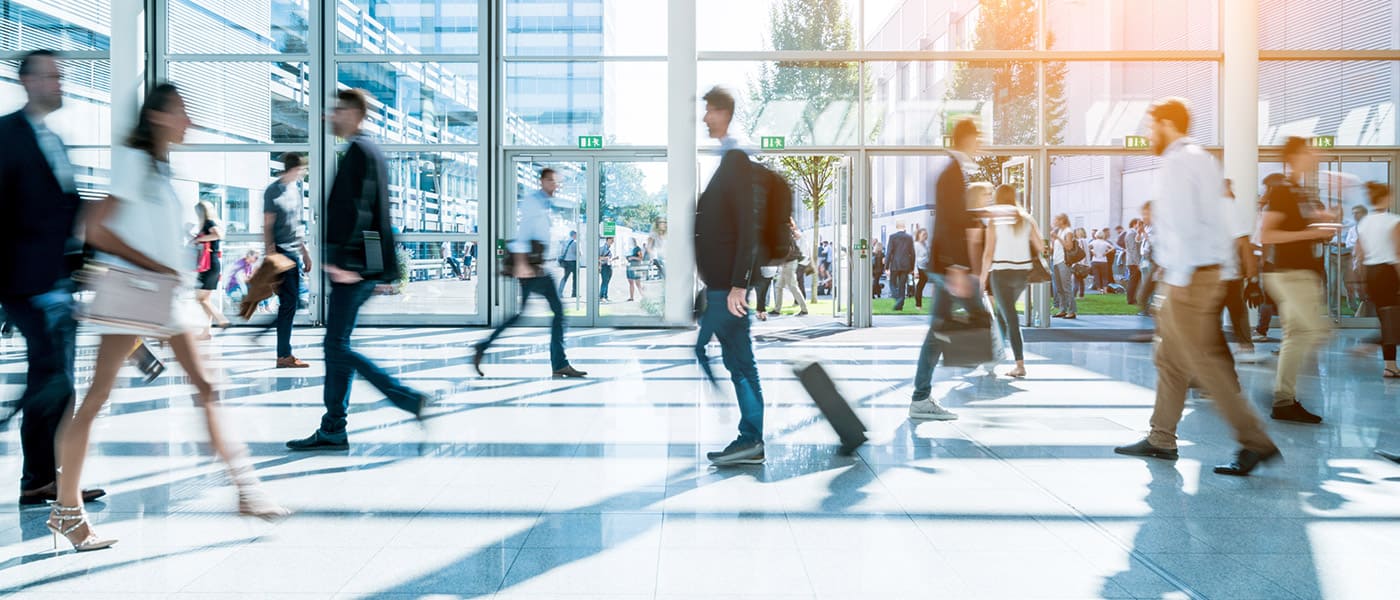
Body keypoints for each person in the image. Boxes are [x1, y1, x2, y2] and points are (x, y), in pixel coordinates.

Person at [60, 83, 289, 552]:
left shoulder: (163, 170)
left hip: (166, 300)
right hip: (134, 298)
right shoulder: (136, 164)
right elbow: (97, 226)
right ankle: (67, 511)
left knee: (207, 388)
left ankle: (246, 491)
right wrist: (154, 266)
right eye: (183, 113)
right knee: (97, 398)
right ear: (160, 117)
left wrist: (172, 274)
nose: (190, 122)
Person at [1114, 97, 1279, 477]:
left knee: (1203, 363)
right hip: (1199, 273)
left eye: (1150, 124)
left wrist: (1180, 282)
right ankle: (1161, 438)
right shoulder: (1202, 158)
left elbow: (1184, 227)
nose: (1147, 132)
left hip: (1189, 277)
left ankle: (1255, 441)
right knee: (1169, 359)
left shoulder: (1177, 162)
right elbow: (1218, 220)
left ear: (1168, 124)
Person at [287, 89, 433, 451]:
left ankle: (403, 397)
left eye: (336, 110)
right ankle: (334, 426)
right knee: (337, 346)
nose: (331, 116)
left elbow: (361, 212)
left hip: (352, 269)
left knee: (336, 346)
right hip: (359, 267)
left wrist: (346, 264)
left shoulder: (361, 151)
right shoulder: (369, 150)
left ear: (353, 112)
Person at [0, 50, 106, 509]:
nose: (60, 84)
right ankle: (53, 477)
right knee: (56, 378)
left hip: (56, 281)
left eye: (62, 77)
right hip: (26, 282)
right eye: (51, 77)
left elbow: (63, 212)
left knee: (53, 375)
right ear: (27, 81)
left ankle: (42, 479)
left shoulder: (54, 140)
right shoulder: (7, 136)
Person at [694, 86, 767, 465]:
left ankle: (751, 437)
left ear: (723, 112)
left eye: (709, 110)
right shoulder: (729, 157)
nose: (705, 117)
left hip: (729, 287)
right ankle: (749, 435)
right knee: (736, 360)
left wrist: (740, 282)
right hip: (721, 285)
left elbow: (747, 225)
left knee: (739, 362)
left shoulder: (736, 157)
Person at [908, 117, 988, 422]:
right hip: (948, 266)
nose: (980, 143)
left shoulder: (955, 172)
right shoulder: (951, 174)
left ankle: (923, 394)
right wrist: (956, 267)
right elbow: (947, 222)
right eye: (977, 137)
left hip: (947, 265)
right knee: (963, 320)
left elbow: (954, 218)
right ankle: (970, 361)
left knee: (939, 329)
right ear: (966, 139)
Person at [472, 168, 587, 379]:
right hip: (534, 269)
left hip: (540, 267)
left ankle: (482, 347)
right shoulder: (534, 202)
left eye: (557, 181)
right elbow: (523, 235)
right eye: (551, 181)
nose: (556, 185)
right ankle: (559, 363)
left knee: (523, 316)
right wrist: (521, 263)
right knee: (558, 314)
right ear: (542, 181)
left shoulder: (546, 204)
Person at [1259, 136, 1334, 424]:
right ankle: (1272, 381)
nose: (1314, 154)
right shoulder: (1282, 191)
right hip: (1288, 275)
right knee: (1316, 331)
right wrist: (1311, 233)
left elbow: (1307, 231)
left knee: (1296, 336)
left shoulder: (1301, 192)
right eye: (1309, 150)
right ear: (1296, 155)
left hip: (1302, 273)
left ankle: (1283, 401)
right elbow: (1267, 235)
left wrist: (1323, 226)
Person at [981, 184, 1045, 378]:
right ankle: (995, 355)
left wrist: (982, 278)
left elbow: (988, 253)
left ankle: (1020, 364)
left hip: (1001, 272)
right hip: (1021, 274)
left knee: (1010, 317)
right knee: (1002, 313)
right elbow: (1041, 245)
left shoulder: (995, 221)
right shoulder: (1026, 218)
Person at [264, 153, 312, 367]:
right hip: (281, 253)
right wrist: (271, 255)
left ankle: (280, 349)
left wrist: (305, 252)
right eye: (301, 169)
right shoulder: (273, 190)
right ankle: (283, 354)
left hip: (293, 252)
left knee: (290, 303)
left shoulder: (295, 190)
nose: (303, 173)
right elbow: (267, 225)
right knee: (289, 303)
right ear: (293, 169)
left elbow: (297, 227)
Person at [1354, 182, 1399, 378]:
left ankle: (1390, 366)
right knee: (1392, 322)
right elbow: (1397, 253)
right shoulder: (1393, 221)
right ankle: (1369, 344)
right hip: (1389, 272)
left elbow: (1359, 254)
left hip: (1372, 274)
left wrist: (1361, 280)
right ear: (1386, 198)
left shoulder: (1364, 222)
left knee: (1387, 320)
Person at [1220, 179, 1266, 363]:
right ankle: (1245, 348)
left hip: (1218, 275)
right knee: (1237, 311)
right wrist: (1253, 279)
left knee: (1231, 312)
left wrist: (1252, 277)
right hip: (1228, 274)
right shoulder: (1228, 206)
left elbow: (1244, 245)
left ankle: (1205, 364)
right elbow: (1244, 245)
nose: (1233, 193)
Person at [191, 200, 229, 340]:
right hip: (213, 263)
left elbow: (217, 235)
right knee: (204, 299)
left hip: (208, 265)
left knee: (200, 298)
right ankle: (206, 332)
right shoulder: (212, 222)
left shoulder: (208, 223)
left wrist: (198, 240)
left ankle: (221, 319)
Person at [770, 218, 809, 316]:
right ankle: (777, 310)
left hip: (789, 262)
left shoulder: (785, 232)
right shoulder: (786, 232)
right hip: (786, 262)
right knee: (778, 286)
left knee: (792, 286)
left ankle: (804, 309)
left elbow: (788, 248)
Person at [1050, 213, 1077, 319]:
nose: (1054, 222)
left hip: (1064, 262)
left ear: (1062, 220)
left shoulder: (1068, 232)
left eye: (1056, 220)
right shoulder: (1060, 231)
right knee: (1059, 288)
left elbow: (1069, 247)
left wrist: (1057, 238)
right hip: (1056, 261)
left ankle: (1072, 311)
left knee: (1066, 287)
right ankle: (1062, 309)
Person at [887, 221, 915, 311]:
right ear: (904, 226)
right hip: (906, 264)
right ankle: (899, 305)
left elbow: (889, 252)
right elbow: (912, 253)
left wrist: (886, 266)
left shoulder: (892, 237)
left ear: (896, 226)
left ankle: (898, 300)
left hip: (895, 264)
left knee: (892, 284)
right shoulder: (909, 237)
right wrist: (912, 267)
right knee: (902, 285)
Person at [1124, 218, 1143, 304]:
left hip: (1133, 261)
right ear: (1134, 224)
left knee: (1134, 281)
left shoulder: (1132, 233)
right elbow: (1133, 249)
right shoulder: (1131, 234)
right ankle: (1131, 299)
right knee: (1133, 281)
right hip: (1133, 261)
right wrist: (1138, 262)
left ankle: (1132, 298)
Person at [557, 230, 579, 297]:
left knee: (565, 277)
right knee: (575, 278)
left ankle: (559, 292)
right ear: (574, 235)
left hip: (566, 262)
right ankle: (574, 293)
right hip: (573, 262)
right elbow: (578, 253)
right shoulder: (575, 243)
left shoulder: (565, 242)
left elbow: (562, 251)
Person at [913, 228, 931, 309]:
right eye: (923, 234)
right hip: (920, 267)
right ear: (919, 235)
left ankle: (919, 303)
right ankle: (918, 304)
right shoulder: (916, 245)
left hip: (926, 267)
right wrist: (915, 271)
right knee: (920, 286)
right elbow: (914, 258)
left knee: (922, 285)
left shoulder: (926, 243)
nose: (925, 236)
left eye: (926, 234)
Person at [599, 236, 615, 302]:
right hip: (604, 266)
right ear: (607, 240)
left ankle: (605, 296)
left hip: (609, 266)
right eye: (612, 239)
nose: (613, 241)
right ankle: (601, 296)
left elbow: (610, 258)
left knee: (607, 282)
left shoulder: (610, 248)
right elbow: (598, 257)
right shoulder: (602, 248)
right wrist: (606, 258)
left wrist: (614, 259)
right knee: (604, 281)